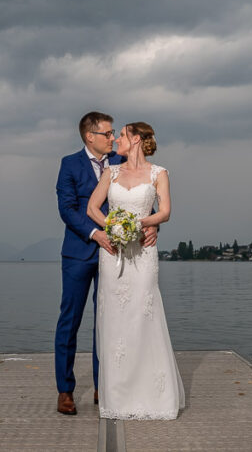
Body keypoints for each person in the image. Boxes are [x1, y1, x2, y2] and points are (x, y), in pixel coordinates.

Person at [87, 122, 185, 420]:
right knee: (115, 320)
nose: (116, 138)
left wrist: (141, 223)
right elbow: (93, 208)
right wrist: (113, 227)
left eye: (122, 135)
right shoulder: (111, 173)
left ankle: (153, 395)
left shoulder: (160, 174)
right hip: (113, 254)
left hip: (143, 253)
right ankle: (117, 398)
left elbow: (165, 211)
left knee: (144, 315)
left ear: (138, 140)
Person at [54, 111, 125, 416]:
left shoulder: (120, 162)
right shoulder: (69, 164)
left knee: (106, 322)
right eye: (108, 133)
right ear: (89, 136)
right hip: (78, 253)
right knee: (69, 321)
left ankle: (102, 386)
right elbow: (67, 209)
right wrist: (95, 233)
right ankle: (65, 390)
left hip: (115, 254)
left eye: (113, 133)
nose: (113, 138)